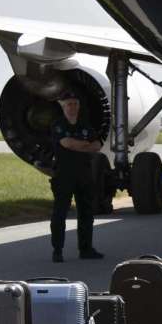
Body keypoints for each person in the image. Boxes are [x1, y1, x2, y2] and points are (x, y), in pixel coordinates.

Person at [49, 89, 105, 262]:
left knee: (86, 213)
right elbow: (67, 143)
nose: (72, 107)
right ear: (63, 107)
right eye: (69, 104)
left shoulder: (85, 125)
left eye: (75, 104)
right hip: (64, 175)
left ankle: (86, 249)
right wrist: (84, 144)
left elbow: (97, 145)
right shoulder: (58, 125)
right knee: (60, 213)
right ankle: (58, 250)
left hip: (84, 175)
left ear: (78, 106)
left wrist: (80, 145)